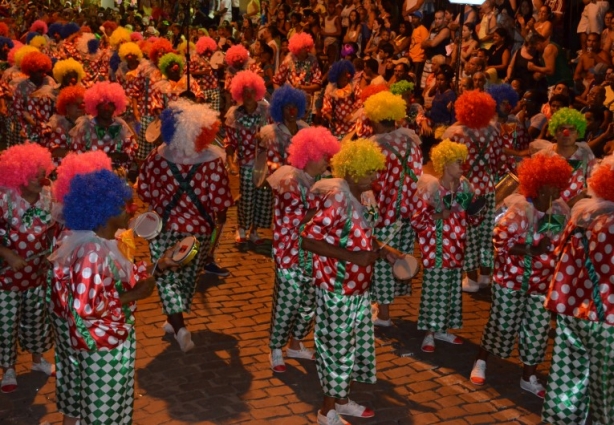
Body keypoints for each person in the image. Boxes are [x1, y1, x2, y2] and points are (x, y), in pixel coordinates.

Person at [48, 169, 162, 425]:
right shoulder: (92, 252)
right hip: (102, 345)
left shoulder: (106, 241)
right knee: (104, 412)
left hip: (113, 336)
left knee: (111, 405)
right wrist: (134, 295)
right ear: (105, 213)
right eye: (122, 206)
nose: (130, 210)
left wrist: (160, 266)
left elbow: (120, 275)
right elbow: (83, 306)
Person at [302, 138, 403, 425]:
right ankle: (326, 411)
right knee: (336, 348)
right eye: (370, 171)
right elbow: (308, 239)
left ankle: (343, 401)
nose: (375, 177)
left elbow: (365, 236)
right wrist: (352, 258)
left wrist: (386, 251)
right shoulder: (337, 198)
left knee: (352, 346)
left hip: (359, 288)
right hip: (336, 288)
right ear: (354, 171)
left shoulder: (366, 196)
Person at [470, 154, 572, 398]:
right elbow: (499, 240)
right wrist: (531, 250)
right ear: (537, 184)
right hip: (510, 282)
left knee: (537, 332)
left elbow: (561, 245)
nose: (557, 189)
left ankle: (529, 376)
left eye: (559, 184)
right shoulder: (520, 209)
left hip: (540, 285)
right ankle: (481, 360)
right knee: (502, 326)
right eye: (551, 184)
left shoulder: (560, 210)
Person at [138, 99, 233, 352]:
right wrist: (220, 217)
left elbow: (144, 191)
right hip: (198, 232)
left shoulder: (157, 157)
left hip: (163, 229)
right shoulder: (213, 162)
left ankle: (176, 323)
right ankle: (178, 324)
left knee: (167, 278)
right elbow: (221, 201)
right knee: (188, 279)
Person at [541, 156, 614, 425]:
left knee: (567, 379)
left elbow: (559, 253)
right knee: (606, 392)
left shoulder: (583, 213)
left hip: (572, 312)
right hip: (607, 320)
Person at [267, 126, 340, 373]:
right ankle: (276, 348)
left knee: (308, 304)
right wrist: (327, 208)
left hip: (314, 254)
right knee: (287, 303)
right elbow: (294, 218)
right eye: (323, 156)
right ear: (308, 155)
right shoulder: (290, 181)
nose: (327, 161)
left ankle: (296, 344)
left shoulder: (320, 180)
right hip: (290, 253)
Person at [413, 140, 481, 352]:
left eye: (462, 162)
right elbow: (416, 219)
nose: (461, 166)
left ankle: (442, 329)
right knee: (434, 289)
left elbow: (473, 218)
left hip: (457, 246)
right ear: (444, 164)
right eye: (456, 162)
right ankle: (429, 333)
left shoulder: (465, 186)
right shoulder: (432, 188)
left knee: (452, 289)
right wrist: (437, 215)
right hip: (436, 247)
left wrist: (476, 211)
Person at [0, 143, 56, 394]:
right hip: (6, 276)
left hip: (36, 273)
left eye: (43, 173)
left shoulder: (48, 195)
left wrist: (51, 255)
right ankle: (8, 368)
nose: (40, 179)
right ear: (19, 175)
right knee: (5, 323)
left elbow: (55, 230)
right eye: (34, 174)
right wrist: (7, 254)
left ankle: (37, 360)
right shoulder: (3, 198)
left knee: (37, 319)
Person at [364, 91, 423, 327]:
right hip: (408, 212)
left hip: (384, 214)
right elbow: (418, 173)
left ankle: (384, 314)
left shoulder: (375, 147)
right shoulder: (411, 140)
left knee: (382, 261)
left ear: (377, 118)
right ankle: (382, 306)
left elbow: (373, 182)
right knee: (398, 258)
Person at [442, 90, 501, 292]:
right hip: (488, 187)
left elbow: (450, 165)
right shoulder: (493, 132)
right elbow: (498, 163)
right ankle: (486, 275)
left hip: (466, 188)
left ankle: (472, 279)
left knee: (467, 234)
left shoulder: (457, 134)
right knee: (486, 233)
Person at [224, 70, 271, 244]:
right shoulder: (234, 114)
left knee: (263, 196)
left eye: (252, 91)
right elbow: (229, 142)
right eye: (245, 91)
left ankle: (254, 231)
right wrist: (231, 163)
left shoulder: (266, 111)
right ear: (239, 94)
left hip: (263, 162)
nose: (249, 95)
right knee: (246, 197)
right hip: (245, 162)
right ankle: (242, 228)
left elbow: (274, 134)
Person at [532, 108, 596, 207]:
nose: (566, 133)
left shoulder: (586, 157)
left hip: (576, 213)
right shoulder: (543, 156)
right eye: (562, 129)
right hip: (548, 217)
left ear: (578, 133)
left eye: (572, 129)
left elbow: (593, 188)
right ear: (555, 131)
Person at [70, 81, 137, 172]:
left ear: (116, 106)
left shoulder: (121, 126)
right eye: (103, 104)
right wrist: (111, 156)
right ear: (96, 105)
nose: (107, 108)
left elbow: (130, 152)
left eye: (110, 105)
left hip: (117, 175)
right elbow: (76, 155)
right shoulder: (85, 127)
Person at [273, 33, 322, 123]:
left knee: (304, 129)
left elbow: (318, 84)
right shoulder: (288, 61)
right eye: (304, 48)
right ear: (297, 48)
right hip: (289, 102)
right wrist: (280, 96)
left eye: (308, 47)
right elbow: (276, 80)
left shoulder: (313, 61)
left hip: (306, 103)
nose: (307, 50)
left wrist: (302, 88)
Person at [261, 84, 309, 174]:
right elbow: (274, 167)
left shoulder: (305, 131)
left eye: (295, 107)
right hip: (284, 183)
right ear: (280, 110)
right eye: (287, 108)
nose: (292, 111)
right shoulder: (273, 135)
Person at [321, 60, 362, 139]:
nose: (346, 76)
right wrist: (330, 118)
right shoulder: (330, 90)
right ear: (337, 76)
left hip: (353, 127)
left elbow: (360, 100)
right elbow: (326, 107)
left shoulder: (353, 86)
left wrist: (352, 114)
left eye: (347, 74)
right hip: (338, 128)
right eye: (343, 75)